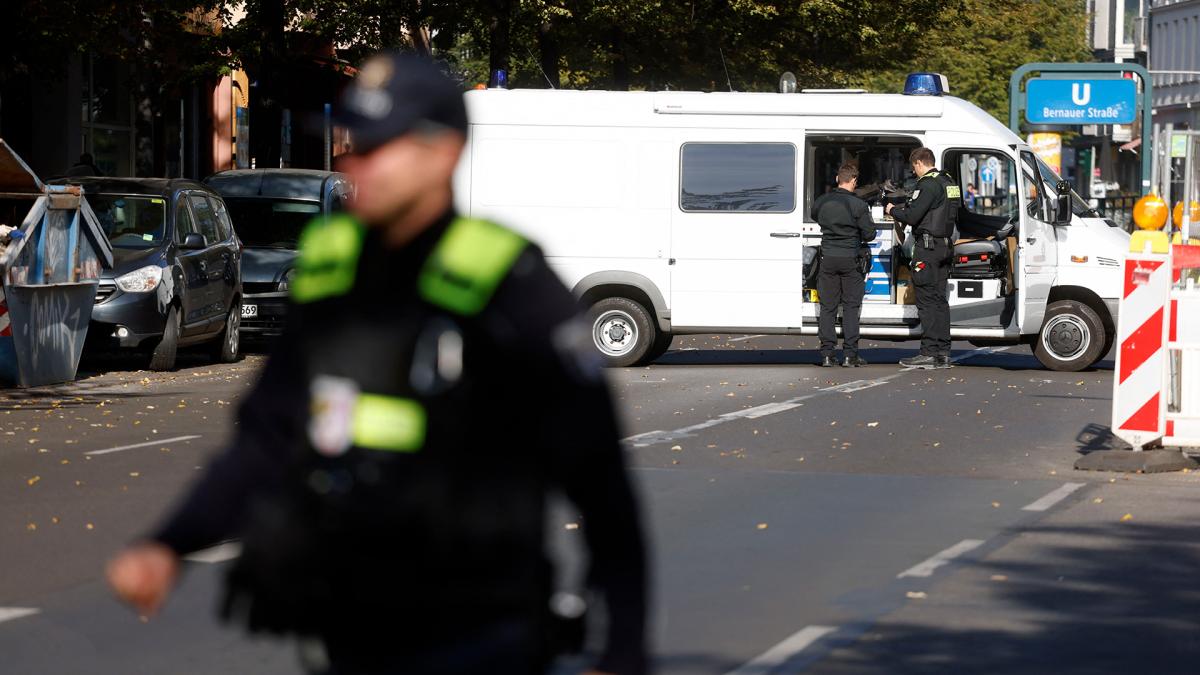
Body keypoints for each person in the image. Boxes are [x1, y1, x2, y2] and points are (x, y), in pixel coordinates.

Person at [105, 53, 648, 675]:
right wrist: (169, 544)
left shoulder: (510, 283)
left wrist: (624, 650)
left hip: (482, 634)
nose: (355, 165)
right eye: (354, 145)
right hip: (351, 631)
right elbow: (268, 436)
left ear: (441, 153)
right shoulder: (335, 269)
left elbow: (603, 488)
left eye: (378, 147)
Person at [885, 147, 960, 369]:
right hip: (945, 246)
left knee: (926, 301)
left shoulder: (927, 183)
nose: (914, 172)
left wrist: (892, 209)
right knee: (940, 301)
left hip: (927, 249)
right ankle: (943, 352)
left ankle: (928, 352)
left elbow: (913, 215)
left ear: (919, 163)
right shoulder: (950, 182)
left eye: (913, 167)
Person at [811, 162, 875, 367]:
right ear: (854, 181)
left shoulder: (822, 201)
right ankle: (850, 355)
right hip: (850, 259)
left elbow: (815, 217)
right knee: (850, 307)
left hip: (827, 258)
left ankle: (827, 355)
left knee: (828, 307)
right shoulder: (858, 205)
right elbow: (869, 233)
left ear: (838, 179)